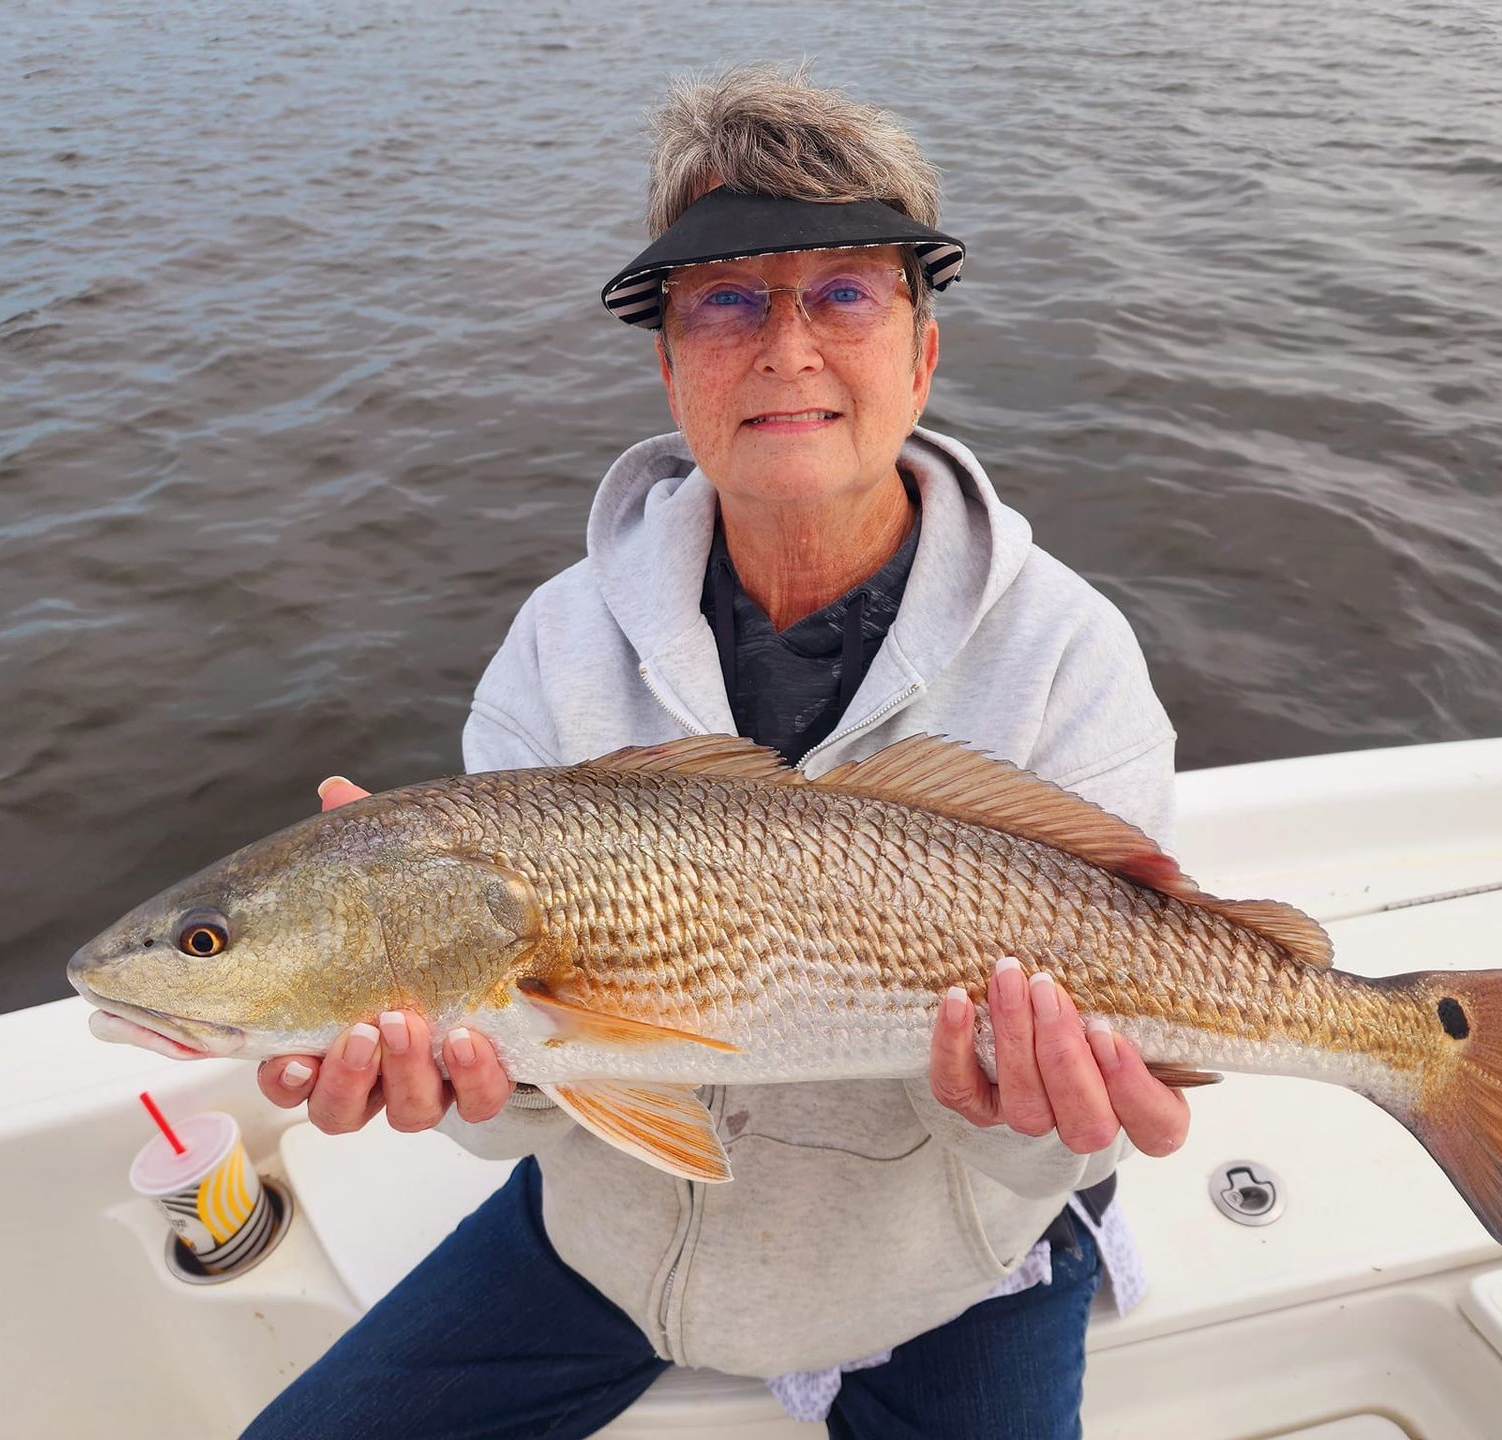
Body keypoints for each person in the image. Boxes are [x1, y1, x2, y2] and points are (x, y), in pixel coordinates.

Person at [244, 64, 1186, 1440]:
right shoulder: (554, 648)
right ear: (671, 363)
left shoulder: (1069, 657)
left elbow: (1068, 1117)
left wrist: (1035, 1115)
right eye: (729, 300)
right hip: (609, 1252)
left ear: (923, 351)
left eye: (846, 293)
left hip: (960, 1269)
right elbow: (530, 1111)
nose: (787, 348)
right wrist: (467, 1099)